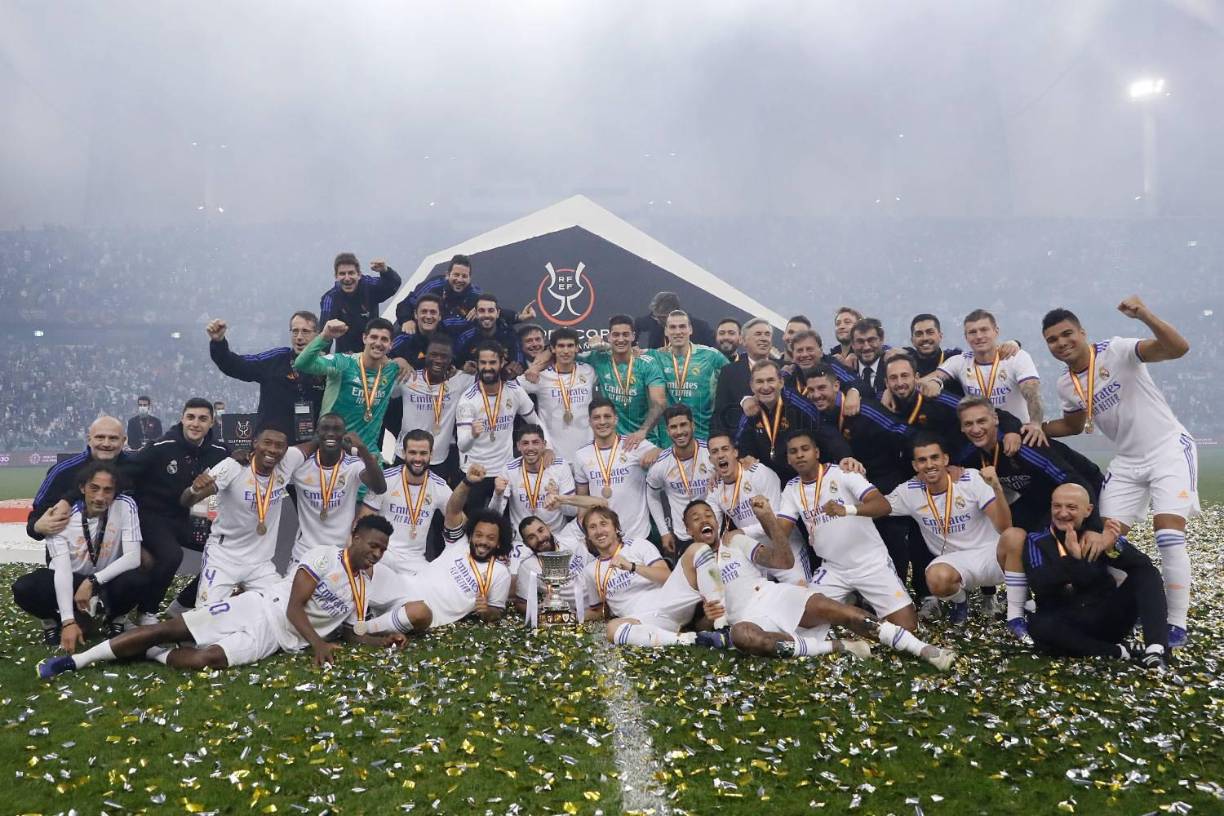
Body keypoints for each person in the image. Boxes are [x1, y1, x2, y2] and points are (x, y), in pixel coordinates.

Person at [38, 516, 402, 678]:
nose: (376, 553)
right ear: (355, 537)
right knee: (169, 629)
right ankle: (78, 662)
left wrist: (381, 640)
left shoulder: (363, 585)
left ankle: (154, 656)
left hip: (272, 640)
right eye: (373, 545)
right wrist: (317, 645)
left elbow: (350, 631)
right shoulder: (323, 556)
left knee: (204, 660)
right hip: (260, 608)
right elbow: (294, 606)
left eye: (382, 550)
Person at [1040, 299, 1197, 647]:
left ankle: (1176, 623)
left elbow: (1178, 348)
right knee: (1103, 540)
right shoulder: (1066, 384)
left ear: (1082, 332)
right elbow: (1073, 424)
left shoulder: (1117, 350)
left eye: (1067, 334)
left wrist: (1143, 315)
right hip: (1127, 461)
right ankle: (1115, 609)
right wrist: (1035, 428)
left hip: (1167, 448)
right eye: (1052, 340)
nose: (1062, 343)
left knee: (1168, 534)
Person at [684, 497, 955, 669]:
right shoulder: (688, 563)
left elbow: (783, 560)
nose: (704, 520)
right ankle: (837, 647)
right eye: (695, 519)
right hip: (747, 618)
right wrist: (708, 619)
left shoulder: (733, 540)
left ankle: (923, 650)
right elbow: (696, 624)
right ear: (688, 530)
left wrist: (768, 519)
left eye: (708, 514)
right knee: (744, 637)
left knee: (842, 612)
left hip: (773, 596)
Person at [775, 429, 920, 632]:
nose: (799, 454)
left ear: (817, 452)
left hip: (870, 563)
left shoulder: (842, 473)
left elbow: (883, 505)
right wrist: (764, 516)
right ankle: (851, 604)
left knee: (906, 626)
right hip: (834, 568)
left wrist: (847, 510)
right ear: (788, 459)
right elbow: (781, 532)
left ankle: (854, 605)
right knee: (802, 619)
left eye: (805, 449)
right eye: (793, 451)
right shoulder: (791, 489)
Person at [1023, 484, 1170, 670]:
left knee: (1147, 573)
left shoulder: (1097, 536)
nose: (1062, 513)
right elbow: (1042, 584)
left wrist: (1112, 546)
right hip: (1067, 623)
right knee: (1038, 626)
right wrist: (1073, 559)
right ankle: (1117, 651)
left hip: (1106, 616)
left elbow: (1141, 565)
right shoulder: (1037, 540)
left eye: (1071, 507)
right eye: (1057, 506)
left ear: (1088, 510)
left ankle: (1155, 649)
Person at [112, 398, 230, 621]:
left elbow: (238, 465)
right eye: (191, 417)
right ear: (182, 419)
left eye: (203, 419)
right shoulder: (160, 447)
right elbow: (123, 473)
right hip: (152, 516)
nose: (196, 423)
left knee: (225, 551)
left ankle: (182, 604)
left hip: (187, 518)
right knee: (171, 555)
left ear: (212, 423)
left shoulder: (219, 451)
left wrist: (243, 458)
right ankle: (147, 611)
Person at [884, 435, 1017, 629]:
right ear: (915, 465)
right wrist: (849, 500)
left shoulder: (970, 478)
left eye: (934, 458)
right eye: (922, 460)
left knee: (1019, 543)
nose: (929, 465)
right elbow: (877, 506)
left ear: (946, 459)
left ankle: (1019, 611)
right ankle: (959, 601)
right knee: (937, 579)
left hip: (992, 556)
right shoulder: (909, 491)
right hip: (955, 562)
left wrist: (996, 487)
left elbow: (1005, 528)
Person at [362, 469, 513, 633]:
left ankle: (363, 630)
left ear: (499, 543)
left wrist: (487, 611)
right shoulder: (459, 543)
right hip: (404, 584)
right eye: (479, 535)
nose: (483, 541)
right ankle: (344, 612)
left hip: (424, 610)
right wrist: (467, 482)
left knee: (420, 613)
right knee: (364, 566)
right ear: (471, 536)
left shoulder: (500, 572)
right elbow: (453, 510)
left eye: (490, 538)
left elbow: (496, 611)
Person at [13, 462, 147, 647]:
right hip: (70, 578)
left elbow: (133, 557)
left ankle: (114, 619)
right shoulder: (60, 517)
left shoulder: (125, 505)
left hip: (105, 580)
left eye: (108, 490)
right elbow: (62, 571)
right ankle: (54, 620)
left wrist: (92, 581)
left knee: (137, 580)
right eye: (94, 488)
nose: (100, 497)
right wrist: (69, 621)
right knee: (24, 588)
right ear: (82, 488)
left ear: (116, 491)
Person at [179, 424, 306, 607]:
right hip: (224, 557)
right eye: (267, 443)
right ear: (255, 443)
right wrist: (194, 489)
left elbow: (319, 442)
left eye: (279, 446)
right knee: (207, 616)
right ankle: (179, 611)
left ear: (286, 450)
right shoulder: (233, 466)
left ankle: (240, 605)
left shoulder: (287, 462)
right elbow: (187, 501)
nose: (272, 449)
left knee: (282, 610)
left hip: (260, 564)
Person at [581, 506, 701, 648]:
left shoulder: (638, 545)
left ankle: (721, 622)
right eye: (592, 527)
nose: (599, 531)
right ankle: (688, 640)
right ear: (588, 535)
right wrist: (568, 615)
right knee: (611, 629)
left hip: (669, 605)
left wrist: (632, 567)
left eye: (604, 524)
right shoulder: (590, 570)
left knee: (697, 550)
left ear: (615, 527)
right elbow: (598, 610)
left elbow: (666, 576)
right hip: (640, 620)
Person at [922, 309, 1045, 445]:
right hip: (981, 437)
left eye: (984, 330)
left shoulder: (1016, 356)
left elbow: (1032, 392)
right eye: (972, 332)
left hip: (1018, 433)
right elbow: (928, 380)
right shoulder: (960, 361)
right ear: (966, 336)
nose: (979, 336)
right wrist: (934, 382)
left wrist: (1035, 424)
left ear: (996, 331)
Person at [705, 431, 808, 585]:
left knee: (803, 594)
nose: (720, 455)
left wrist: (742, 532)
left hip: (786, 547)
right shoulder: (714, 489)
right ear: (710, 459)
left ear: (735, 452)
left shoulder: (759, 473)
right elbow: (714, 527)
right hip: (755, 553)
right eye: (715, 452)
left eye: (725, 449)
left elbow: (778, 521)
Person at [455, 341, 547, 510]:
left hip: (505, 470)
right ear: (477, 365)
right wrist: (473, 435)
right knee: (474, 526)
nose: (487, 367)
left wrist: (548, 448)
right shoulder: (467, 399)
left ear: (502, 363)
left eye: (492, 362)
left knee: (502, 525)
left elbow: (536, 423)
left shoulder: (515, 391)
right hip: (475, 471)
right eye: (483, 363)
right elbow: (462, 445)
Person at [207, 312, 326, 442]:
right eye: (295, 331)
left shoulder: (328, 365)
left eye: (305, 331)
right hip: (269, 447)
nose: (299, 337)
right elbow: (237, 366)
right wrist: (219, 343)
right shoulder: (275, 359)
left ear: (317, 334)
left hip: (308, 450)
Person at [294, 317, 402, 454]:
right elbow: (301, 364)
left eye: (384, 339)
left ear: (391, 344)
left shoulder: (392, 370)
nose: (378, 343)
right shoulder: (343, 363)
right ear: (364, 338)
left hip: (367, 453)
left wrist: (403, 360)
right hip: (333, 449)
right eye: (373, 337)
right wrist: (324, 336)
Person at [290, 414, 387, 563]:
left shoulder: (353, 465)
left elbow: (380, 487)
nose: (330, 433)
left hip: (340, 552)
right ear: (317, 433)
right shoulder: (301, 466)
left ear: (344, 434)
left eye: (336, 429)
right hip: (305, 551)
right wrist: (315, 443)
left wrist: (362, 449)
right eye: (325, 429)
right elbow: (286, 457)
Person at [735, 360, 852, 483]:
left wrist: (845, 457)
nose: (765, 387)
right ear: (752, 386)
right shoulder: (750, 410)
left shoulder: (798, 404)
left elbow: (827, 433)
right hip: (769, 482)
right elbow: (741, 444)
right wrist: (744, 457)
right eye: (759, 382)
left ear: (781, 382)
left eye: (770, 380)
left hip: (802, 480)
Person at [28, 416, 128, 542]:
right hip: (72, 557)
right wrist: (37, 527)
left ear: (123, 440)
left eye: (113, 438)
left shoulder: (139, 468)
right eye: (100, 437)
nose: (106, 443)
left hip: (124, 556)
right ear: (89, 439)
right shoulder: (62, 471)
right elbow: (37, 519)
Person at [572, 399, 660, 540]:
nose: (602, 422)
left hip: (638, 535)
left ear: (615, 419)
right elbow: (582, 499)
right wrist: (585, 529)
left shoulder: (634, 444)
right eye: (596, 417)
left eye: (607, 416)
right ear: (589, 422)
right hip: (604, 538)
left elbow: (665, 455)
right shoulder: (581, 455)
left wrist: (657, 451)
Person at [393, 334, 472, 484]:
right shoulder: (408, 377)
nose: (438, 360)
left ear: (451, 359)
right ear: (425, 356)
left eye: (444, 356)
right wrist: (397, 360)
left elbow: (489, 374)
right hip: (405, 454)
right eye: (434, 355)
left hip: (439, 459)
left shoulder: (461, 380)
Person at [491, 425, 586, 549]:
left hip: (556, 537)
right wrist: (497, 494)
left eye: (535, 442)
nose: (530, 448)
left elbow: (573, 511)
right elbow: (494, 515)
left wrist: (560, 501)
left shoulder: (559, 466)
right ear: (518, 446)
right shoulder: (509, 470)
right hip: (523, 542)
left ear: (544, 444)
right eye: (525, 443)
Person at [579, 314, 667, 446]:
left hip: (643, 441)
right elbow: (565, 353)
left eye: (625, 334)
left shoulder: (647, 364)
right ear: (609, 337)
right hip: (613, 442)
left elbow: (659, 402)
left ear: (633, 336)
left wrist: (642, 431)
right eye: (616, 335)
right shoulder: (599, 358)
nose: (621, 339)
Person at [646, 310, 729, 444]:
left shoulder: (711, 356)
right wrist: (603, 345)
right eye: (672, 327)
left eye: (682, 326)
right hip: (668, 440)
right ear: (666, 331)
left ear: (690, 329)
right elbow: (625, 352)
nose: (678, 332)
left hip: (703, 437)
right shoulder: (655, 356)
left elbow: (735, 377)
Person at [647, 405, 714, 562]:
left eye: (683, 425)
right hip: (684, 536)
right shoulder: (661, 464)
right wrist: (664, 531)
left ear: (693, 425)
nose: (679, 431)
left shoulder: (711, 454)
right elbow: (652, 495)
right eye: (673, 427)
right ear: (668, 431)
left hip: (714, 530)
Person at [519, 328, 596, 463]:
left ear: (577, 348)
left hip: (588, 454)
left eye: (570, 346)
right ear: (552, 349)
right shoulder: (541, 376)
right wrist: (533, 369)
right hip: (554, 455)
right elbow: (508, 388)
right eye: (561, 346)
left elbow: (614, 360)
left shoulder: (589, 371)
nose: (566, 351)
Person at [319, 253, 402, 354]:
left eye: (351, 273)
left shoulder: (368, 285)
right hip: (346, 356)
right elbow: (324, 333)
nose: (347, 278)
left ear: (359, 275)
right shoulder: (330, 298)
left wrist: (385, 270)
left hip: (374, 350)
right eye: (342, 274)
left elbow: (393, 285)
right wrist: (321, 359)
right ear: (336, 276)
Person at [512, 515, 592, 614]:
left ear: (548, 528)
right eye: (531, 537)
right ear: (526, 543)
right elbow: (521, 604)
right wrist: (542, 608)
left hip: (599, 599)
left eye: (541, 530)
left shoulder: (571, 541)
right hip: (573, 613)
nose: (540, 538)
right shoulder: (527, 566)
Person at [713, 317, 777, 433]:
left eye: (767, 334)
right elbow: (720, 414)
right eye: (758, 334)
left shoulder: (784, 370)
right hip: (742, 442)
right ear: (743, 340)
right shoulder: (729, 372)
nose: (764, 339)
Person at [389, 293, 467, 370]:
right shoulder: (403, 338)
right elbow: (381, 358)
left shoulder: (451, 331)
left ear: (440, 316)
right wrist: (397, 360)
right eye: (424, 312)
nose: (428, 316)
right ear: (416, 314)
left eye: (433, 312)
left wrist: (463, 366)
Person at [398, 254, 482, 325]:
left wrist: (480, 308)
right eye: (456, 275)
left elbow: (491, 307)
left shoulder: (475, 294)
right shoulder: (432, 286)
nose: (459, 280)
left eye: (464, 276)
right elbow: (406, 303)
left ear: (470, 278)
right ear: (447, 275)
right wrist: (406, 320)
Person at [455, 294, 526, 371]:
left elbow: (520, 361)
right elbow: (454, 362)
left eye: (491, 310)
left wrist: (513, 369)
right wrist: (462, 367)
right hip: (472, 378)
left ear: (498, 313)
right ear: (475, 313)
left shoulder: (509, 334)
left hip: (503, 379)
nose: (486, 315)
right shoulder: (466, 337)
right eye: (481, 311)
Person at [635, 291, 716, 349]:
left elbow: (715, 348)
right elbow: (637, 324)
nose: (658, 320)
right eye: (655, 316)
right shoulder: (655, 321)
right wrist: (633, 345)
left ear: (674, 313)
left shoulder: (700, 327)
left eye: (662, 318)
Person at [848, 318, 889, 397]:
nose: (866, 347)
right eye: (860, 341)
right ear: (852, 344)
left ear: (881, 339)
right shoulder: (847, 371)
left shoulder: (892, 369)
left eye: (871, 340)